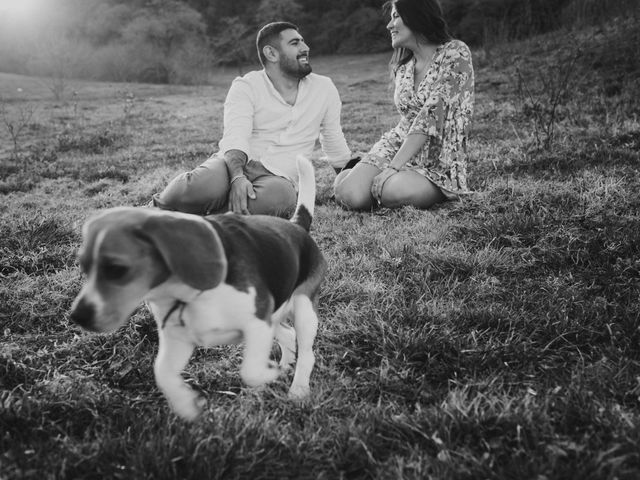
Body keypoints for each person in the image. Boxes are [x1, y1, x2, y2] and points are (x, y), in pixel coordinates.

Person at [152, 21, 354, 217]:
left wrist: (351, 178)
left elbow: (333, 139)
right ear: (271, 53)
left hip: (278, 178)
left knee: (280, 199)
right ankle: (154, 210)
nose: (306, 47)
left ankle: (201, 225)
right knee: (201, 186)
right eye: (295, 43)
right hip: (235, 162)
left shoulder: (324, 88)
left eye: (303, 41)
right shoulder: (246, 85)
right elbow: (236, 135)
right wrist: (237, 177)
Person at [333, 0, 474, 211]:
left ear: (417, 16)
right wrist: (390, 164)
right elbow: (406, 120)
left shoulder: (455, 52)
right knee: (349, 195)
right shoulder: (403, 68)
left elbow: (430, 117)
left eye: (395, 16)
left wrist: (392, 168)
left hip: (437, 159)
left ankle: (374, 179)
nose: (389, 25)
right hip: (397, 145)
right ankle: (359, 178)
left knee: (392, 192)